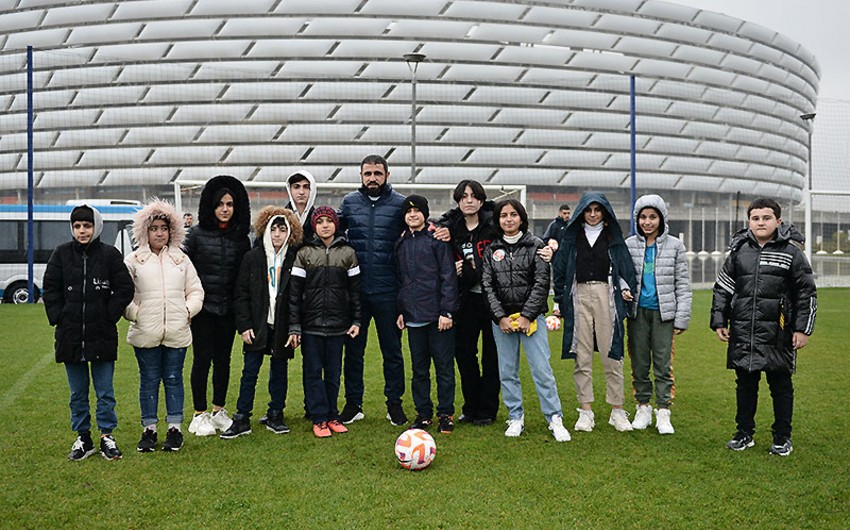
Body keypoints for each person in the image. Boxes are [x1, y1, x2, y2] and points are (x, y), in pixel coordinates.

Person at [711, 198, 816, 456]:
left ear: (778, 221)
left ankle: (782, 438)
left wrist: (802, 329)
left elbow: (807, 293)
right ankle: (744, 433)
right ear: (749, 221)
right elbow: (723, 288)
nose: (761, 222)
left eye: (766, 218)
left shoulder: (792, 252)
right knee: (745, 385)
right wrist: (719, 321)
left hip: (779, 333)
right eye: (755, 218)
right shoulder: (739, 251)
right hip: (744, 331)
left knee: (780, 386)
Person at [42, 204, 134, 461]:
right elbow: (49, 288)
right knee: (77, 393)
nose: (82, 231)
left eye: (87, 225)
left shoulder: (110, 255)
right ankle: (84, 438)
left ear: (97, 227)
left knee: (105, 391)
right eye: (77, 226)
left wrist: (109, 314)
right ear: (72, 228)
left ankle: (107, 436)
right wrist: (58, 316)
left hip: (102, 335)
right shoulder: (60, 254)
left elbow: (125, 288)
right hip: (70, 337)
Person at [480, 199, 570, 442]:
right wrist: (500, 317)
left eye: (513, 214)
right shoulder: (491, 250)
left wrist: (528, 315)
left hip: (532, 320)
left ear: (522, 218)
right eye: (503, 215)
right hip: (503, 323)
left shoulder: (537, 246)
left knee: (542, 370)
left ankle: (554, 417)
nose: (508, 219)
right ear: (497, 220)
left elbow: (542, 283)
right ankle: (515, 416)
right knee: (507, 371)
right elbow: (487, 285)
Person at [552, 192, 637, 433]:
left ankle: (617, 410)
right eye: (588, 210)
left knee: (612, 354)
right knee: (582, 355)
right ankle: (585, 411)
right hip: (578, 295)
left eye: (597, 210)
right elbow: (559, 271)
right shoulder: (571, 237)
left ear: (605, 213)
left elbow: (626, 270)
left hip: (606, 294)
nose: (592, 214)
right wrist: (559, 300)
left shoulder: (614, 238)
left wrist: (626, 289)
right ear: (581, 212)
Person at [124, 199, 204, 452]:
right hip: (145, 332)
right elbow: (122, 294)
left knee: (173, 379)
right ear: (144, 231)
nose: (159, 233)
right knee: (148, 380)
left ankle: (174, 429)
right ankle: (149, 430)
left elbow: (196, 291)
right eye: (154, 228)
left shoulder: (181, 260)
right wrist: (136, 314)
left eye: (164, 228)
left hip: (177, 332)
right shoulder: (134, 260)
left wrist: (186, 311)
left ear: (172, 231)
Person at [222, 206, 304, 439]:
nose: (277, 234)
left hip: (283, 326)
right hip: (257, 325)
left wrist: (294, 327)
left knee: (279, 371)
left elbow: (299, 296)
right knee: (249, 372)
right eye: (273, 229)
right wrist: (244, 325)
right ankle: (242, 418)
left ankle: (275, 414)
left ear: (289, 232)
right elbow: (241, 294)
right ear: (265, 230)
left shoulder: (294, 258)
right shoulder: (252, 257)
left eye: (282, 229)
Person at [337, 154, 407, 426]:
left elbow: (418, 229)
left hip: (389, 291)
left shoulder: (400, 204)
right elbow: (329, 229)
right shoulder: (350, 203)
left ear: (387, 175)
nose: (373, 178)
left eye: (378, 173)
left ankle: (394, 405)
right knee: (353, 352)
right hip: (355, 292)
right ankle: (354, 404)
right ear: (361, 176)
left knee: (392, 352)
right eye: (368, 174)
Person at [183, 175, 251, 436]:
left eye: (230, 204)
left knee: (224, 361)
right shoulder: (196, 236)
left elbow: (243, 278)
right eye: (220, 204)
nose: (225, 209)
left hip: (228, 312)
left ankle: (218, 410)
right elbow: (186, 274)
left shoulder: (240, 238)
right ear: (211, 206)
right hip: (203, 311)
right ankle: (199, 414)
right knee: (202, 360)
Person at [289, 207, 361, 438]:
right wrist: (295, 326)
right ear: (314, 226)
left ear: (336, 224)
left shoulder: (348, 253)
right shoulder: (305, 253)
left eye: (329, 220)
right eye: (320, 221)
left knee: (333, 373)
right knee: (312, 373)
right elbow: (294, 294)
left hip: (338, 325)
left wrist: (357, 320)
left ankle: (332, 415)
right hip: (310, 326)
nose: (325, 225)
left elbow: (356, 292)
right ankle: (318, 418)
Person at [433, 180, 500, 426]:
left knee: (492, 357)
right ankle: (470, 407)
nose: (468, 200)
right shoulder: (453, 227)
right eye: (463, 196)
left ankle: (487, 410)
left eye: (473, 196)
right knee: (464, 354)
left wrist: (472, 270)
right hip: (466, 299)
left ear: (481, 200)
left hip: (494, 299)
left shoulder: (494, 225)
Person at [624, 194, 692, 434]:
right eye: (643, 217)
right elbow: (620, 275)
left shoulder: (675, 245)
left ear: (662, 218)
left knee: (663, 365)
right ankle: (642, 407)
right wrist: (623, 290)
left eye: (652, 217)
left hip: (664, 315)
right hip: (637, 314)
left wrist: (681, 317)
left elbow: (682, 284)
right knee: (640, 362)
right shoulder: (629, 244)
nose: (647, 222)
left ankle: (663, 411)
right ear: (637, 219)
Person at [395, 195, 459, 434]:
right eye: (408, 211)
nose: (413, 215)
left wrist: (446, 311)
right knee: (419, 369)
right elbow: (400, 280)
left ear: (424, 213)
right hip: (413, 317)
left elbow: (448, 276)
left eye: (417, 210)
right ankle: (423, 414)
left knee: (443, 367)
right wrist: (401, 310)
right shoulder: (400, 243)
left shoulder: (437, 240)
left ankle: (446, 413)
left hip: (438, 317)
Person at [542, 204, 571, 317]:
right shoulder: (554, 225)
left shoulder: (571, 225)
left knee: (570, 282)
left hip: (570, 259)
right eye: (564, 213)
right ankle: (556, 307)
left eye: (568, 213)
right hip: (558, 259)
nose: (567, 215)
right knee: (558, 282)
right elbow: (545, 239)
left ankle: (568, 308)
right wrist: (550, 243)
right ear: (560, 213)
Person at [285, 170, 318, 243]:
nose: (301, 192)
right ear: (289, 189)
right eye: (296, 187)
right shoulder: (280, 217)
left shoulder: (320, 220)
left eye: (306, 187)